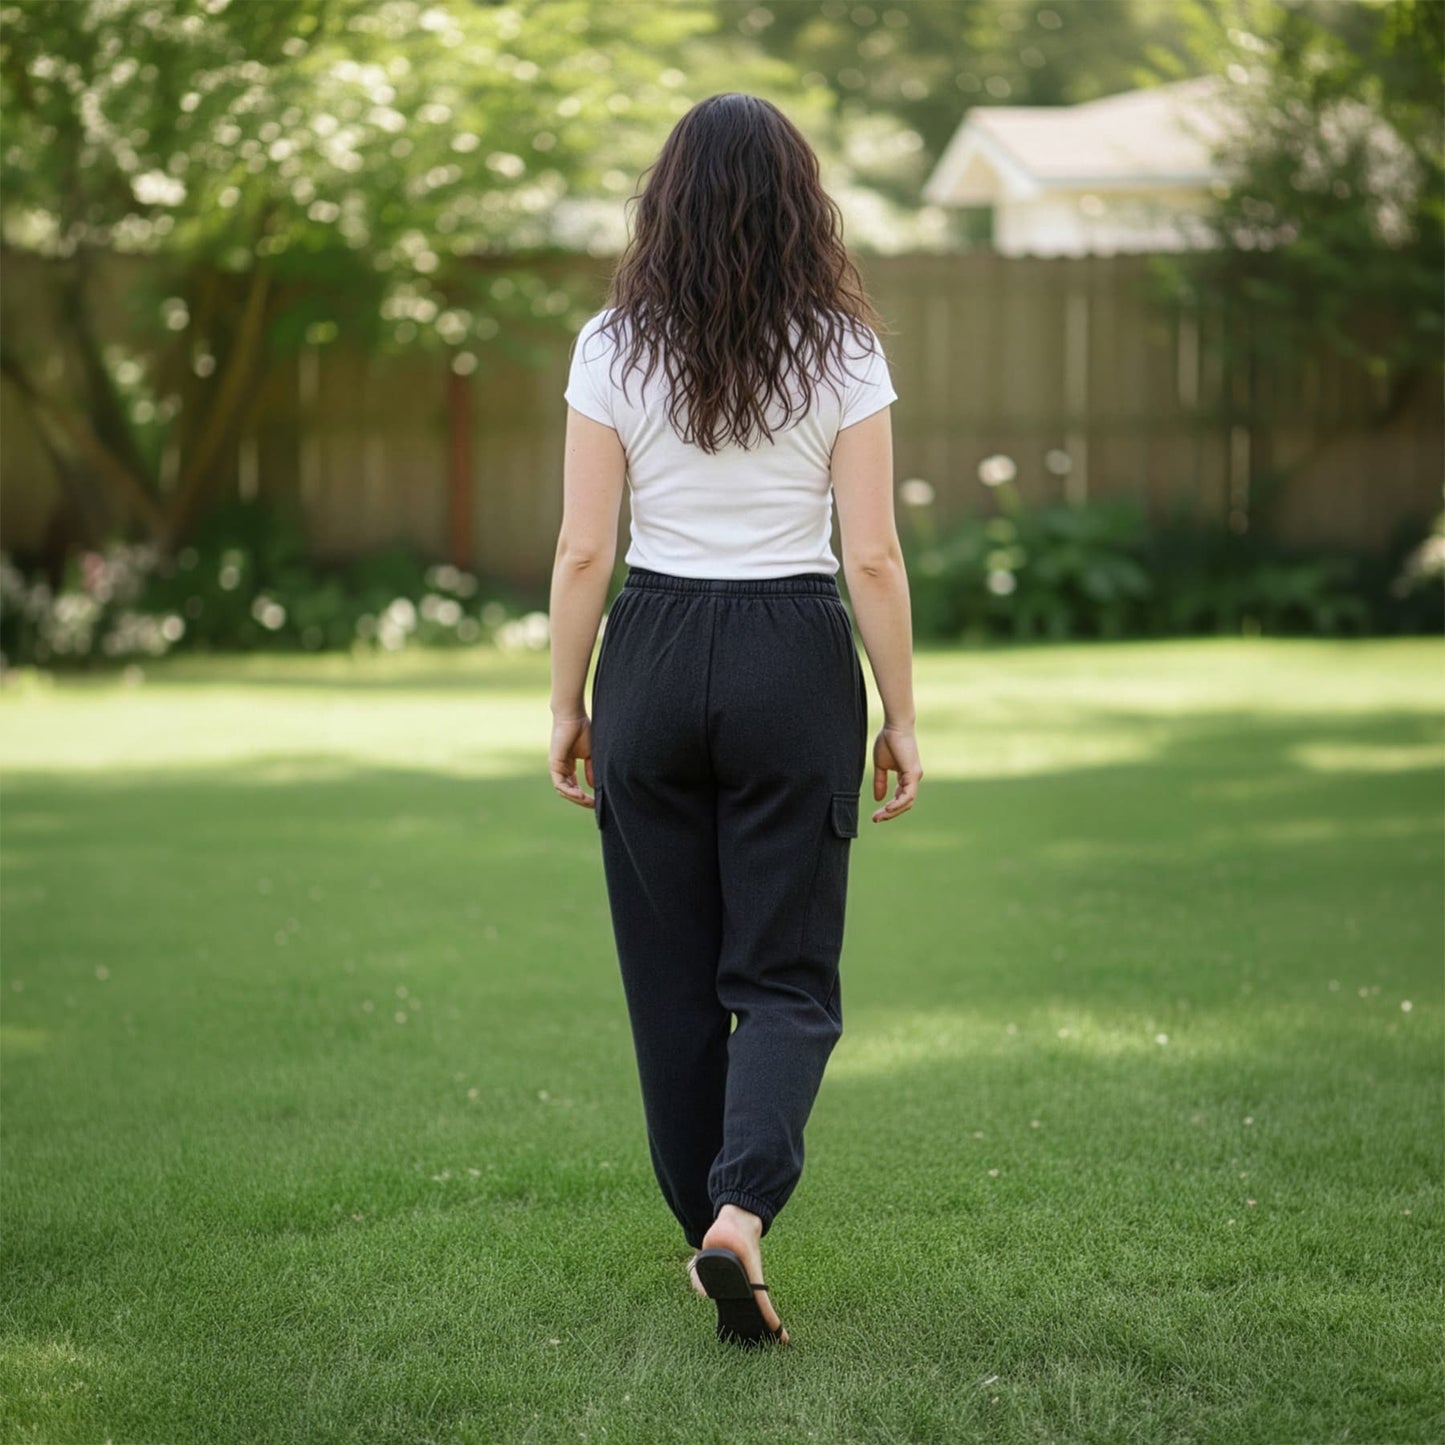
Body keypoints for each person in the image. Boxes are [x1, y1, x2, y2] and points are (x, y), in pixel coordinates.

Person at [546, 92, 922, 1349]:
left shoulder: (610, 343)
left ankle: (706, 1224)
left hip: (648, 654)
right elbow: (867, 554)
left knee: (670, 983)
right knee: (784, 979)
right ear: (798, 201)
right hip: (791, 655)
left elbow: (584, 544)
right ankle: (739, 1214)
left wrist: (565, 699)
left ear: (666, 201)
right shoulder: (841, 346)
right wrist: (903, 714)